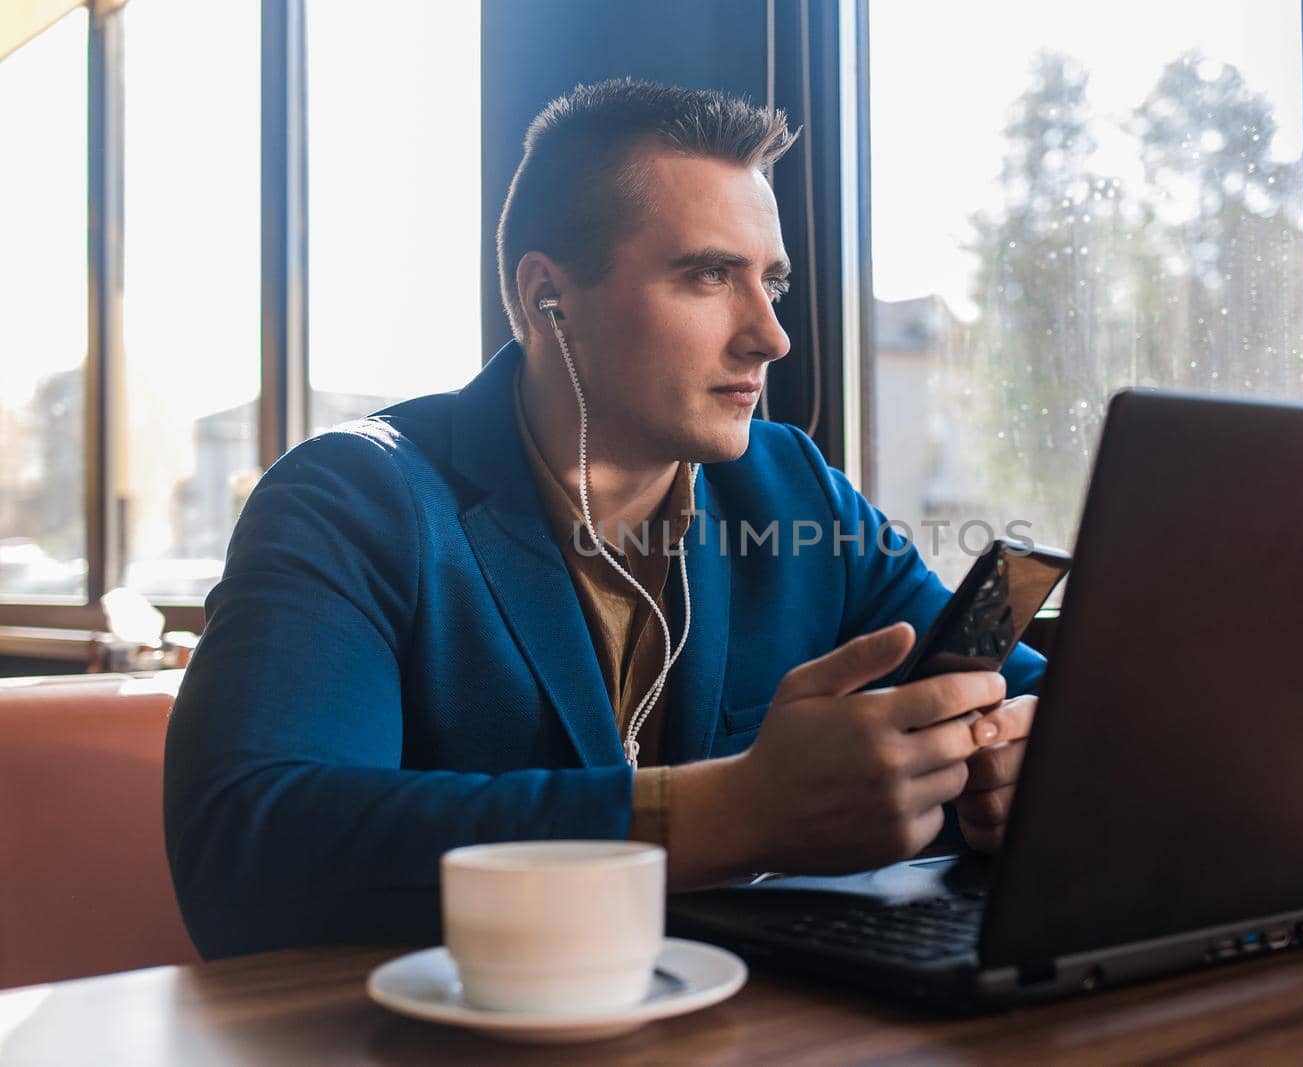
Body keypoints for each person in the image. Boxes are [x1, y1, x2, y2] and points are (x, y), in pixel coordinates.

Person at [164, 79, 1043, 959]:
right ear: (549, 297)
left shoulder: (795, 488)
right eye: (709, 276)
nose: (770, 336)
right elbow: (253, 845)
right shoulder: (353, 499)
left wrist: (1017, 764)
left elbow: (1041, 696)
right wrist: (735, 811)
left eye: (771, 283)